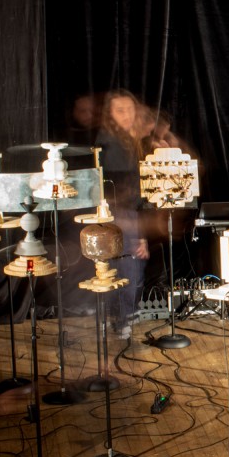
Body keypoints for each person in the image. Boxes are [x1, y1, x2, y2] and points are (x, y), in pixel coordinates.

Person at [97, 89, 149, 337]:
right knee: (128, 268)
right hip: (119, 214)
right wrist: (138, 232)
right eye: (120, 110)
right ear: (110, 115)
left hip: (127, 214)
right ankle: (121, 319)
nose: (127, 115)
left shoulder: (130, 141)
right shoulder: (111, 144)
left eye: (130, 109)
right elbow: (124, 190)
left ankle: (118, 318)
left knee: (128, 267)